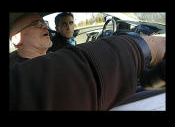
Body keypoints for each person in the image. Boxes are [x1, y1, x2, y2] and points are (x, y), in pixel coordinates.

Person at [9, 13, 166, 111]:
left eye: (43, 21)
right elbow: (68, 78)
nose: (45, 26)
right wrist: (146, 46)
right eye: (36, 23)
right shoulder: (19, 83)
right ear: (17, 39)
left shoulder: (50, 56)